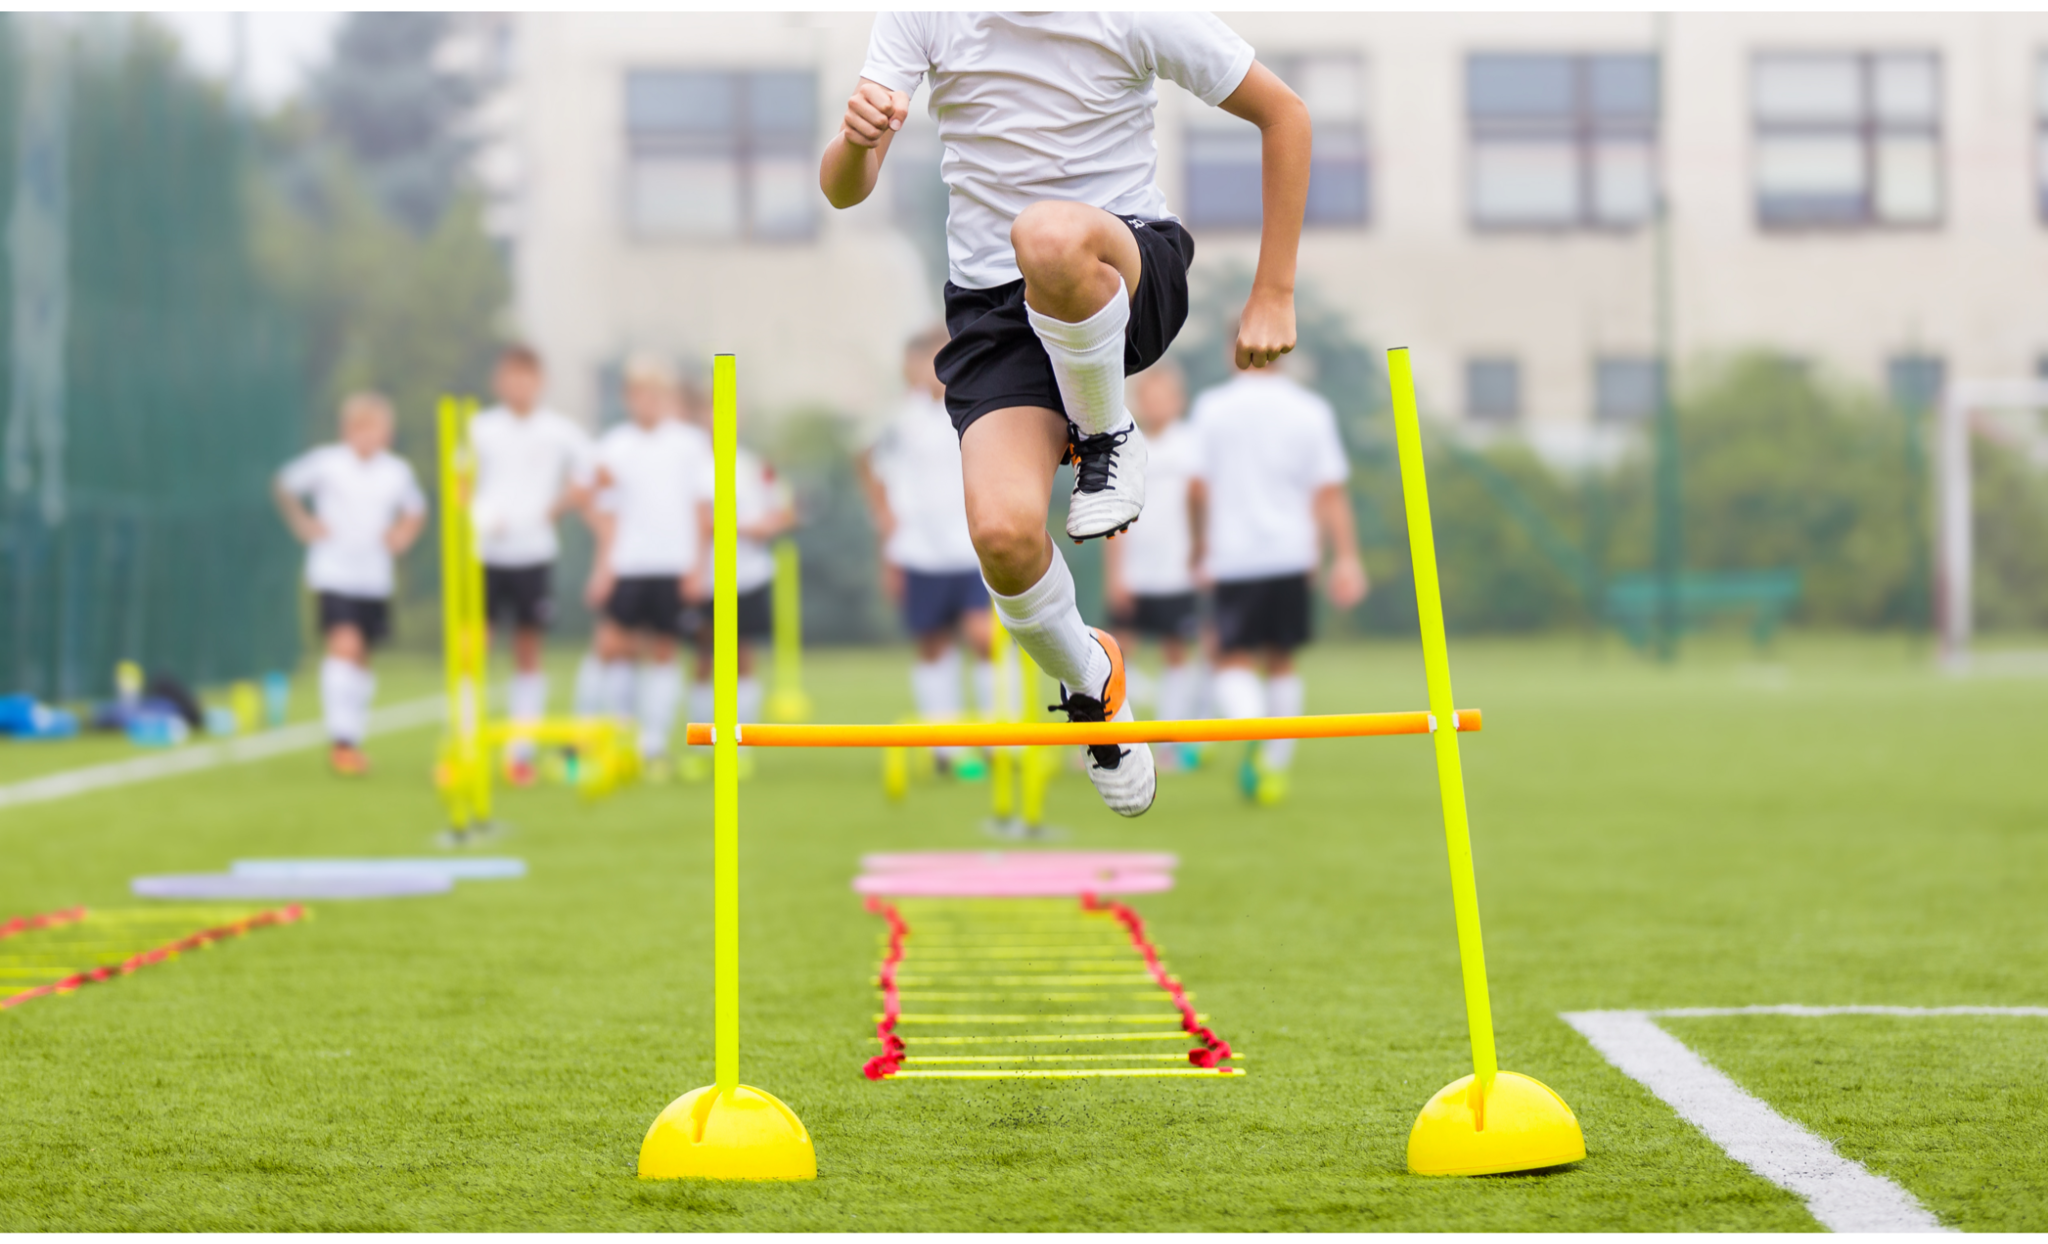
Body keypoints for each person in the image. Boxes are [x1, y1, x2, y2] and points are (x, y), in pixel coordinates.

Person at [822, 13, 1311, 817]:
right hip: (994, 316)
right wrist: (853, 141)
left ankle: (1108, 431)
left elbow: (1284, 113)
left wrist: (1274, 291)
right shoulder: (923, 15)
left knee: (1046, 235)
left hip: (1120, 268)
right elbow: (844, 190)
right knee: (1005, 538)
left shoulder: (1136, 15)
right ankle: (1093, 685)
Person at [1187, 348, 1368, 805]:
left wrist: (1198, 545)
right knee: (1282, 660)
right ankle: (1274, 763)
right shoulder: (1311, 409)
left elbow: (1196, 487)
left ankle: (1250, 723)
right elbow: (1328, 490)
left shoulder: (1212, 407)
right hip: (1292, 552)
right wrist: (1345, 557)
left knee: (1230, 657)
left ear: (1233, 348)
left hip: (1233, 553)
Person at [857, 329, 995, 775]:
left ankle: (997, 738)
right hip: (919, 550)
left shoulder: (973, 407)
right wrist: (887, 534)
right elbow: (870, 466)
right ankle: (946, 746)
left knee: (983, 638)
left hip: (970, 548)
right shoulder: (901, 421)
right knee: (933, 644)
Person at [273, 392, 427, 776]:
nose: (368, 437)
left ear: (387, 434)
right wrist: (303, 524)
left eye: (376, 429)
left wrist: (402, 536)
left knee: (362, 657)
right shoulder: (327, 463)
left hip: (374, 578)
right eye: (361, 429)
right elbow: (284, 484)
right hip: (333, 572)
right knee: (345, 645)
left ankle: (352, 736)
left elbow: (416, 511)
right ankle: (341, 740)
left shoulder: (397, 471)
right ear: (348, 431)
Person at [468, 343, 596, 784]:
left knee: (527, 650)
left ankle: (519, 752)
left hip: (534, 552)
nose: (518, 385)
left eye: (527, 377)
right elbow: (458, 483)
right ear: (498, 381)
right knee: (474, 649)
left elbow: (592, 475)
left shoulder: (560, 431)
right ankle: (466, 745)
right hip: (483, 552)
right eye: (511, 376)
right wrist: (477, 516)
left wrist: (557, 508)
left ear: (540, 382)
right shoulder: (479, 427)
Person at [585, 353, 714, 779]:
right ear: (628, 397)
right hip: (628, 562)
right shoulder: (614, 446)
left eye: (656, 393)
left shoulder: (689, 444)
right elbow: (603, 510)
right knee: (610, 647)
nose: (648, 402)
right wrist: (603, 567)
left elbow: (703, 510)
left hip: (673, 562)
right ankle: (605, 736)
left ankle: (653, 744)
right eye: (640, 393)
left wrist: (697, 568)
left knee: (664, 650)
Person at [1104, 359, 1204, 771]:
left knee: (1176, 653)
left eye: (1165, 397)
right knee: (1116, 658)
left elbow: (1202, 503)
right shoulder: (1129, 445)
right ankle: (1110, 744)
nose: (1157, 405)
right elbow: (1112, 517)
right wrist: (1115, 575)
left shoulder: (1191, 446)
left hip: (1176, 572)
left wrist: (1202, 552)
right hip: (1134, 573)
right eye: (1150, 397)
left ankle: (1170, 743)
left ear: (1178, 402)